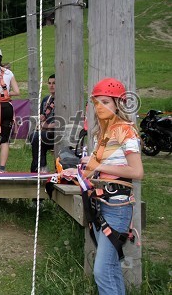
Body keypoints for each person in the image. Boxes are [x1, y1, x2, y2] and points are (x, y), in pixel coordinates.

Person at [61, 78, 143, 295]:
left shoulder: (125, 131)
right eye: (97, 102)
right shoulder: (103, 134)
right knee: (110, 267)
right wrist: (76, 172)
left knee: (102, 271)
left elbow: (137, 172)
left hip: (117, 206)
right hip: (101, 204)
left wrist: (98, 164)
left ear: (118, 104)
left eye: (106, 102)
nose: (100, 107)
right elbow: (98, 169)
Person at [30, 74, 56, 173]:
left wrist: (47, 126)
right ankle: (37, 169)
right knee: (34, 136)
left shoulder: (63, 100)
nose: (51, 86)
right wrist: (41, 125)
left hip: (59, 132)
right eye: (49, 83)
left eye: (54, 83)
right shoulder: (46, 100)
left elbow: (63, 122)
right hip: (46, 132)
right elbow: (42, 117)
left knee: (37, 137)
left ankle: (41, 167)